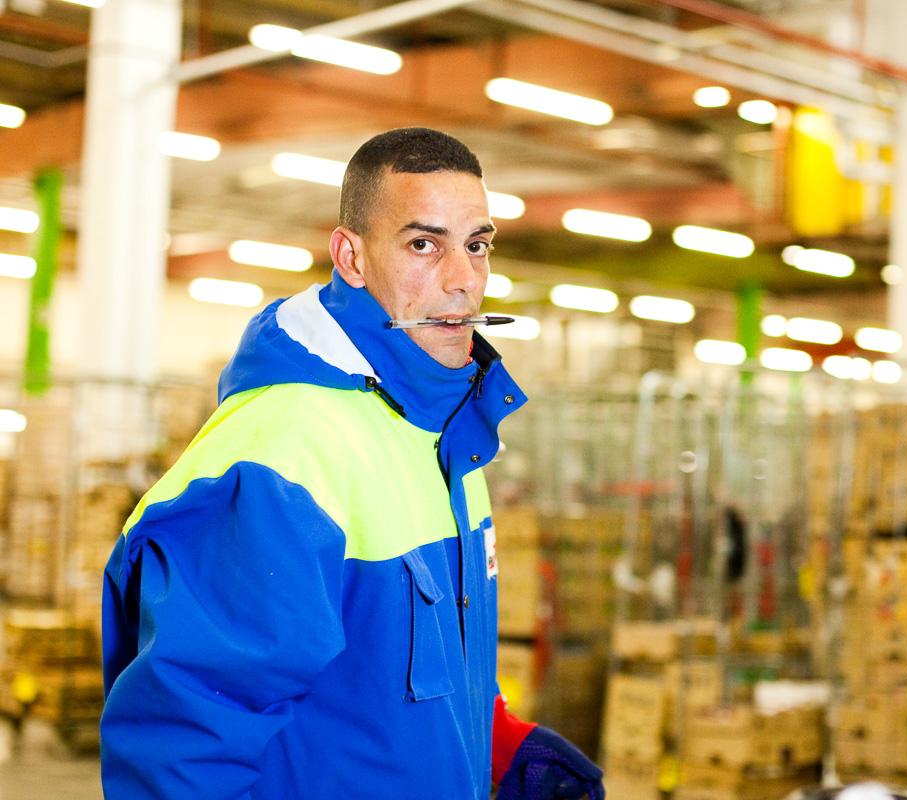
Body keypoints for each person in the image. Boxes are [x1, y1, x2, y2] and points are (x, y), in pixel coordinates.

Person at [100, 127, 604, 800]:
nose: (463, 280)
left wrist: (493, 740)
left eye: (477, 246)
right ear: (352, 257)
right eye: (423, 245)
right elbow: (184, 747)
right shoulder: (284, 455)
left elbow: (399, 665)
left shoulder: (439, 436)